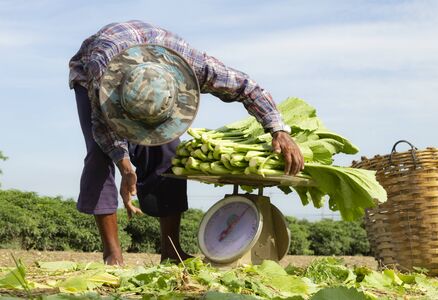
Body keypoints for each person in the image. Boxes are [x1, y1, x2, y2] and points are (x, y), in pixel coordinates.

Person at [69, 20, 304, 265]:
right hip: (89, 75)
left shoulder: (196, 66)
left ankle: (171, 250)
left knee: (168, 151)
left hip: (155, 58)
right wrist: (125, 166)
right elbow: (103, 126)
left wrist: (278, 130)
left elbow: (248, 87)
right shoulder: (101, 69)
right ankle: (112, 254)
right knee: (99, 155)